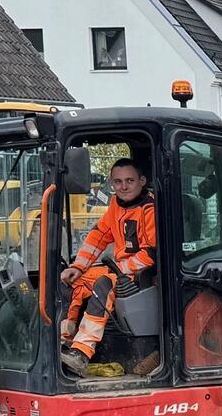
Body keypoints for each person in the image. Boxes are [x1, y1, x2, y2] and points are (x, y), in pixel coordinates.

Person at [59, 158, 159, 375]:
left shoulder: (148, 209)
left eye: (130, 180)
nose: (124, 186)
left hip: (140, 274)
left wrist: (123, 268)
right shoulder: (115, 205)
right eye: (118, 181)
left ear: (142, 181)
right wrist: (78, 267)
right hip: (119, 269)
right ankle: (63, 342)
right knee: (70, 281)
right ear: (112, 184)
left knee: (103, 284)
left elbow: (152, 253)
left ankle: (82, 353)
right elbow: (99, 236)